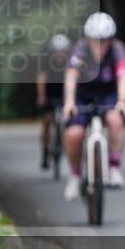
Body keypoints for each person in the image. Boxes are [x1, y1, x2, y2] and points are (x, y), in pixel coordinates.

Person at [62, 12, 125, 201]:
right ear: (88, 38)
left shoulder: (118, 50)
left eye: (105, 40)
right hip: (82, 96)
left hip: (107, 95)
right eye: (96, 40)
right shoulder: (80, 50)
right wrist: (69, 102)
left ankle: (115, 167)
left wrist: (123, 101)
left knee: (116, 120)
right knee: (74, 133)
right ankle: (75, 176)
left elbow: (124, 76)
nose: (100, 45)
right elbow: (71, 77)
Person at [37, 34, 70, 170]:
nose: (59, 54)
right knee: (47, 122)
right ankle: (45, 152)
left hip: (64, 95)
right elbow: (41, 79)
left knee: (66, 123)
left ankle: (63, 145)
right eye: (57, 51)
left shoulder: (70, 62)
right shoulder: (47, 62)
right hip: (50, 94)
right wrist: (41, 96)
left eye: (62, 51)